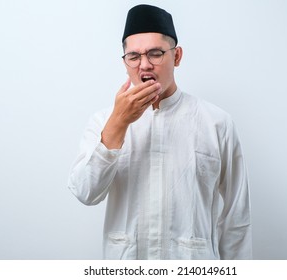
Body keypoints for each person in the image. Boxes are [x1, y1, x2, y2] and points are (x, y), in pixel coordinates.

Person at [68, 4, 252, 260]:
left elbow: (237, 218)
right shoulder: (103, 121)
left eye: (155, 53)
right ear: (125, 62)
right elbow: (85, 193)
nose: (144, 65)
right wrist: (118, 123)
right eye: (133, 56)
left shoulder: (216, 123)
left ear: (176, 57)